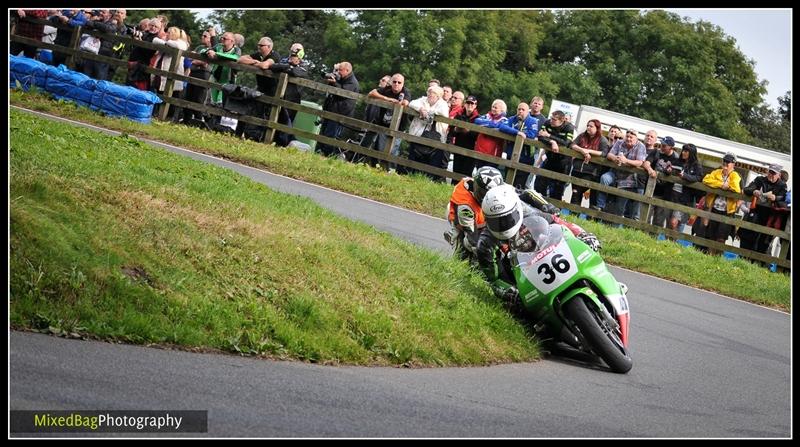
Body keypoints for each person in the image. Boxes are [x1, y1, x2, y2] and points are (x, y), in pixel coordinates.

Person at [477, 184, 600, 303]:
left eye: (507, 218)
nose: (503, 224)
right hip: (524, 279)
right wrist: (508, 291)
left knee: (590, 261)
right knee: (522, 313)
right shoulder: (485, 244)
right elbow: (493, 279)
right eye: (496, 221)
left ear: (516, 211)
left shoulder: (528, 213)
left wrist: (583, 235)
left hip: (551, 255)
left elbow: (557, 222)